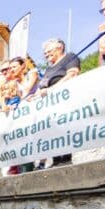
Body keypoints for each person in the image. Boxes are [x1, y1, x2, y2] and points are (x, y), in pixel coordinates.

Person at [34, 38, 81, 167]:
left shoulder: (69, 57)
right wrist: (34, 96)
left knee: (64, 129)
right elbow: (42, 87)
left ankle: (66, 160)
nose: (46, 54)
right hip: (50, 107)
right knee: (53, 131)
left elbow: (72, 74)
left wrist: (51, 90)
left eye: (49, 51)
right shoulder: (49, 69)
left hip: (65, 101)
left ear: (60, 48)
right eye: (45, 53)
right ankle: (56, 160)